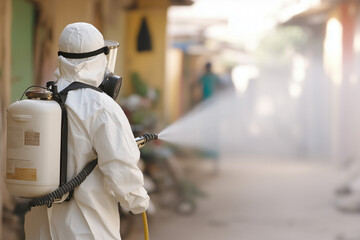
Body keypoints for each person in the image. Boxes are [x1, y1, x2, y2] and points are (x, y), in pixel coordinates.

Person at [24, 22, 149, 239]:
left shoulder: (44, 99)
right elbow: (121, 167)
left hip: (41, 229)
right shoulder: (102, 106)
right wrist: (139, 201)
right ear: (100, 58)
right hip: (86, 228)